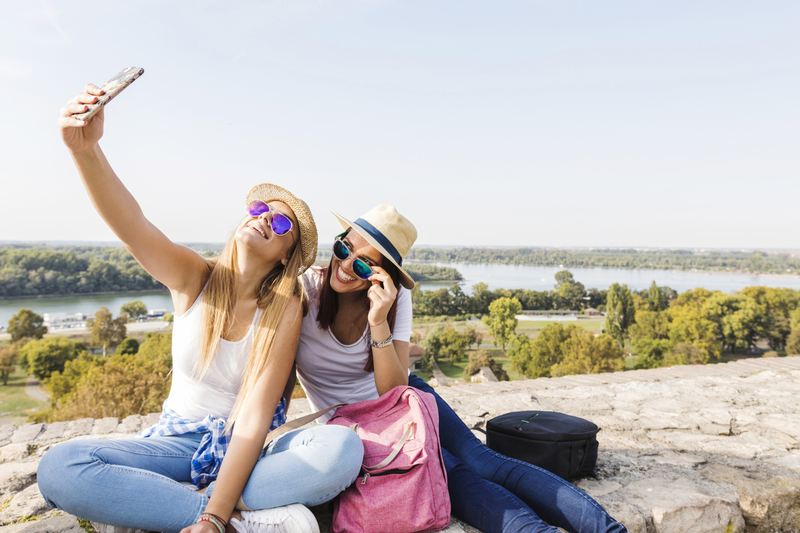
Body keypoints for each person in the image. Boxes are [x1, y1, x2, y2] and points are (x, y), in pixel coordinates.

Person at [37, 82, 364, 533]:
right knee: (61, 466)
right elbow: (132, 226)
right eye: (259, 208)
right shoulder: (194, 278)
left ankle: (183, 505)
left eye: (280, 222)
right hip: (176, 445)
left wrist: (213, 513)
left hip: (250, 451)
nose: (263, 217)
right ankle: (235, 519)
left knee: (341, 450)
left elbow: (253, 421)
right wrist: (85, 150)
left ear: (285, 257)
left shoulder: (284, 308)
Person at [293, 204, 628, 533]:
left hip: (406, 400)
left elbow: (394, 391)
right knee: (453, 476)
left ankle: (609, 530)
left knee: (484, 462)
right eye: (344, 248)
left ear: (383, 276)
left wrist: (378, 322)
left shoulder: (393, 299)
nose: (346, 265)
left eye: (363, 265)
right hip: (357, 427)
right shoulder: (304, 293)